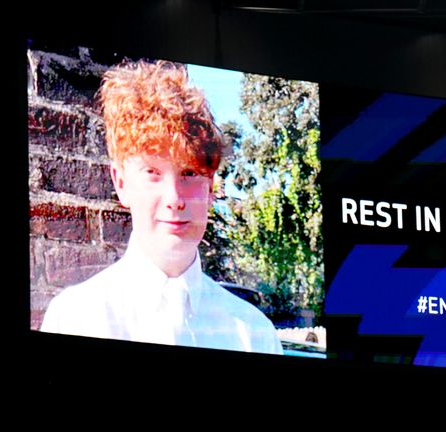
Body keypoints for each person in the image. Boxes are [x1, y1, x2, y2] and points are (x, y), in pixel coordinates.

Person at [41, 59, 283, 355]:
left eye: (189, 174)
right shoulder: (77, 317)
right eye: (152, 173)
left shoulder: (253, 333)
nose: (174, 198)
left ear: (210, 187)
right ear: (120, 183)